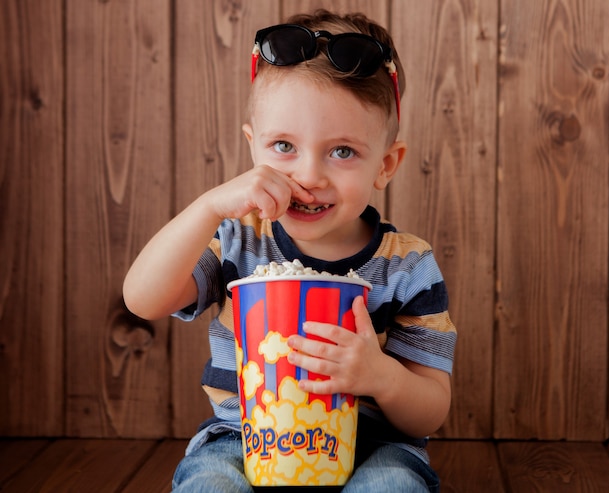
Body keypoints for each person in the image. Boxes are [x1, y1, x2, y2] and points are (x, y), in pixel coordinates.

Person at [123, 9, 456, 493]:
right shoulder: (238, 238)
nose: (309, 175)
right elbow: (142, 299)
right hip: (242, 439)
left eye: (342, 151)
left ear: (385, 165)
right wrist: (209, 206)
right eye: (283, 146)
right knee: (209, 483)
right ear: (252, 147)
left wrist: (380, 376)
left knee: (394, 485)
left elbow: (433, 406)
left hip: (372, 447)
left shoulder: (408, 266)